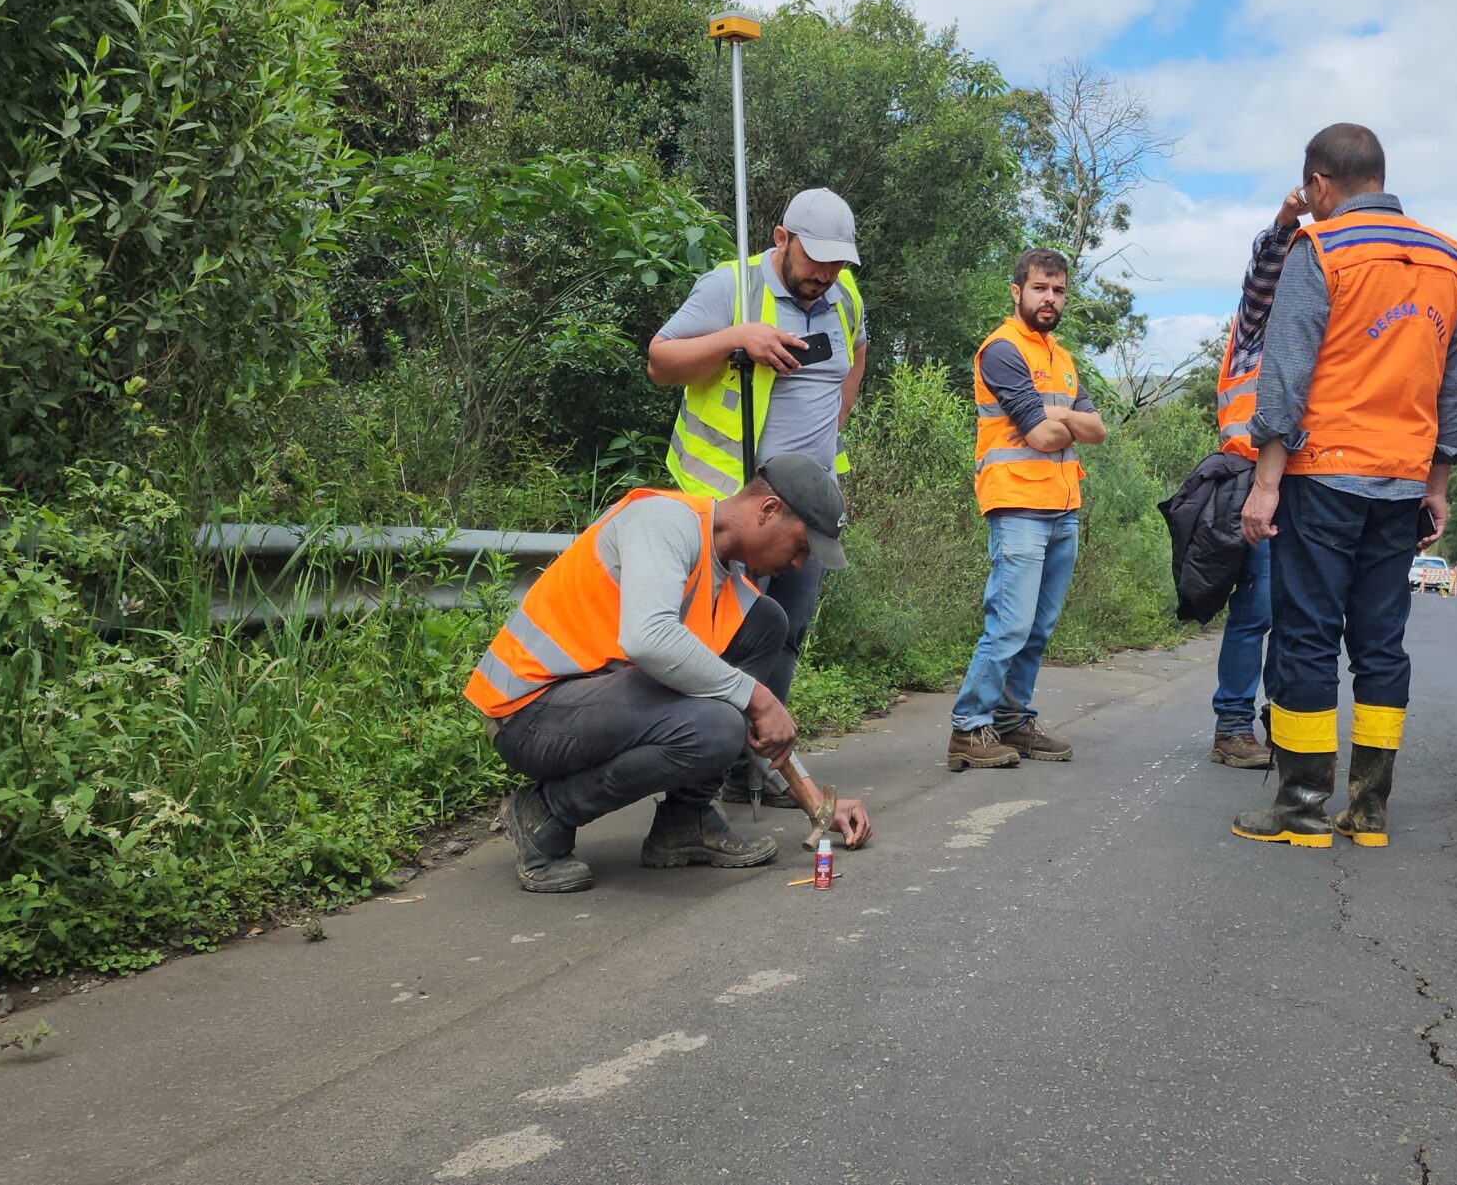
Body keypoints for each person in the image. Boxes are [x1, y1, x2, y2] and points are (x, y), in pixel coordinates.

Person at [468, 456, 874, 894]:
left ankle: (687, 820)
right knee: (718, 724)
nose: (799, 565)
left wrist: (816, 803)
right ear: (769, 510)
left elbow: (754, 723)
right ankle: (546, 812)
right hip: (529, 714)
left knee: (764, 623)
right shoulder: (664, 522)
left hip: (593, 705)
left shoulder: (725, 579)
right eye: (800, 547)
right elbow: (648, 639)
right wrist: (757, 696)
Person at [1234, 123, 1457, 848]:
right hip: (1401, 483)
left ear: (1320, 184)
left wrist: (1265, 482)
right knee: (1380, 644)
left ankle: (1303, 805)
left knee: (1306, 636)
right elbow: (1452, 388)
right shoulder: (1449, 259)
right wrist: (1438, 483)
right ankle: (1368, 810)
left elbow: (1285, 373)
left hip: (1324, 476)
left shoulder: (1323, 248)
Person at [648, 188, 866, 807]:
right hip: (735, 512)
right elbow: (660, 362)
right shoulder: (730, 289)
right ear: (781, 238)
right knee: (729, 640)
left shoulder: (842, 297)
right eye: (814, 260)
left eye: (836, 264)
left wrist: (836, 420)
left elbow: (858, 352)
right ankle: (698, 786)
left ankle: (763, 766)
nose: (823, 275)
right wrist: (735, 339)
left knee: (789, 631)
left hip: (808, 509)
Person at [946, 248, 1105, 770]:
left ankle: (1013, 721)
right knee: (1009, 624)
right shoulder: (1001, 350)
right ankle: (970, 728)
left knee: (1038, 627)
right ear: (1018, 292)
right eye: (1041, 288)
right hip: (1016, 502)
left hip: (1063, 505)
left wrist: (1054, 411)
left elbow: (1097, 430)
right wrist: (1061, 418)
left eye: (1058, 290)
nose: (1050, 298)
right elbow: (1038, 434)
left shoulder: (1061, 358)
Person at [1205, 210, 1303, 769]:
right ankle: (1233, 724)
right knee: (1258, 610)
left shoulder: (1315, 336)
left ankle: (1281, 720)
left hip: (1306, 488)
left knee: (1295, 613)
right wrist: (1287, 221)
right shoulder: (1256, 330)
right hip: (1252, 483)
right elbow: (1266, 270)